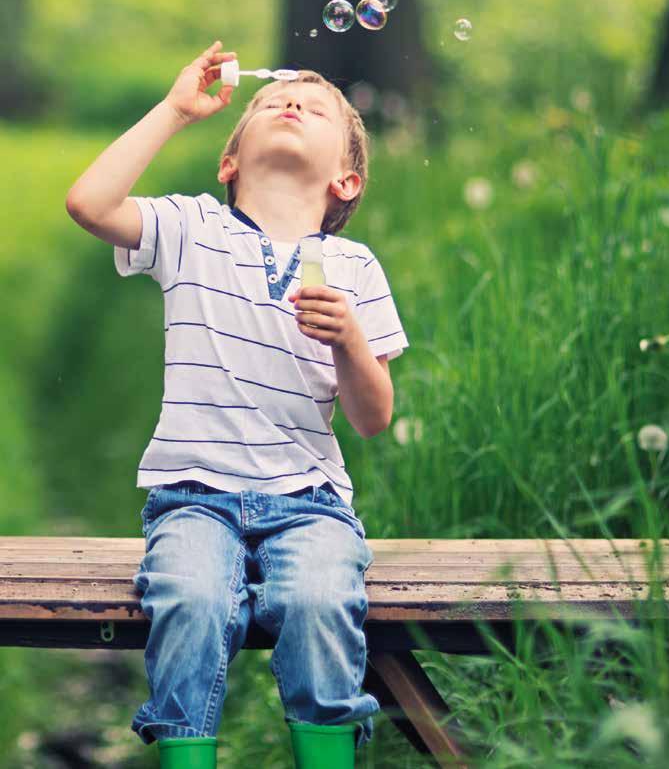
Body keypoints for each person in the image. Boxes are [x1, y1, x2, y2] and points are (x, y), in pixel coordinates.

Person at [65, 41, 410, 768]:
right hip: (193, 497)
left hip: (311, 502)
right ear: (230, 162)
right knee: (188, 600)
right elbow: (89, 204)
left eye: (318, 110)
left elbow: (373, 416)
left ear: (346, 179)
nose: (292, 102)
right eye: (275, 102)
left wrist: (349, 338)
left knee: (321, 602)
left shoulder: (354, 267)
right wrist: (174, 110)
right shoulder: (192, 230)